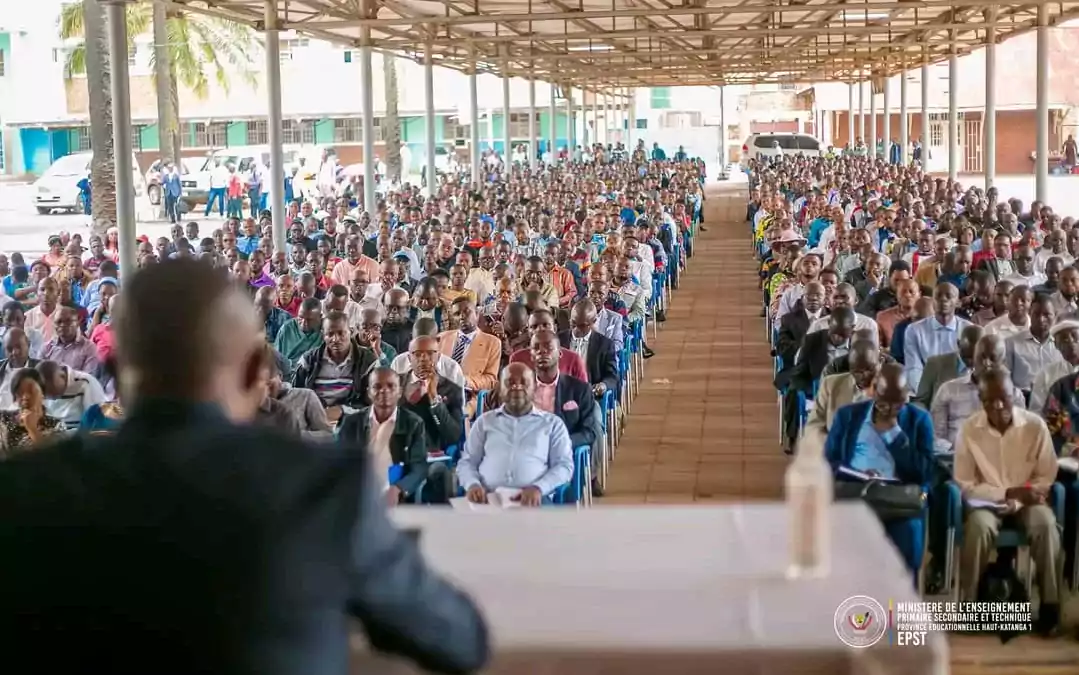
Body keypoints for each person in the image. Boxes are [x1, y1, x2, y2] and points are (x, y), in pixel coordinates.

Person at [0, 258, 489, 673]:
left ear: (111, 372)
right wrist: (363, 562)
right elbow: (459, 639)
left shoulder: (22, 492)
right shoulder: (323, 491)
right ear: (257, 371)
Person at [954, 365, 1061, 635]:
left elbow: (1046, 475)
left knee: (1046, 524)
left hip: (1028, 501)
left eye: (1004, 397)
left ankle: (1050, 604)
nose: (998, 405)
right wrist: (1006, 494)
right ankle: (971, 605)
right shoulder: (969, 429)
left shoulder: (1035, 426)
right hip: (987, 504)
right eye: (989, 400)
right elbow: (965, 484)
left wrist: (1023, 496)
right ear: (981, 401)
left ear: (1014, 394)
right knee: (978, 527)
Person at [824, 362, 934, 575]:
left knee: (908, 537)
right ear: (874, 391)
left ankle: (900, 603)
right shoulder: (848, 416)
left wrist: (894, 434)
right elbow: (829, 461)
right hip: (857, 493)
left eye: (898, 405)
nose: (890, 409)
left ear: (906, 397)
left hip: (898, 500)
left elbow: (925, 472)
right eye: (884, 403)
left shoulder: (919, 420)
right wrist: (856, 473)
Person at [458, 363, 575, 506]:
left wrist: (539, 488)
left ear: (534, 389)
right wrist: (472, 485)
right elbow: (467, 462)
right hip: (488, 500)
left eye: (524, 383)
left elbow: (564, 466)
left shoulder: (552, 424)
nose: (517, 387)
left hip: (534, 499)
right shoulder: (484, 422)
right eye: (510, 383)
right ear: (500, 389)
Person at [336, 367, 431, 505]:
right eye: (377, 386)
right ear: (369, 392)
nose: (384, 390)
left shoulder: (413, 423)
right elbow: (340, 463)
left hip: (395, 493)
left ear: (399, 392)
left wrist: (399, 488)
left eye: (391, 386)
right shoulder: (352, 423)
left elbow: (419, 467)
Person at [0, 367, 64, 457]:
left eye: (31, 390)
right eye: (20, 392)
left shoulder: (56, 425)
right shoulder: (3, 419)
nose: (25, 397)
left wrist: (33, 430)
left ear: (42, 393)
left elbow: (54, 459)